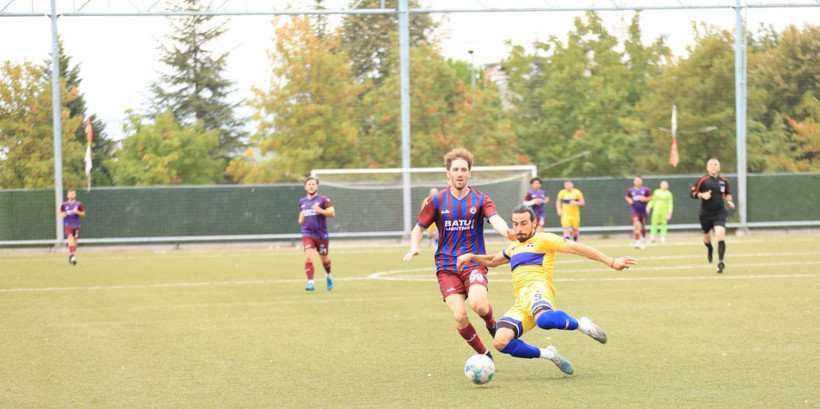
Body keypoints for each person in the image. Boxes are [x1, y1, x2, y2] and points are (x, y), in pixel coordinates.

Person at [457, 205, 636, 375]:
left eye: (524, 223)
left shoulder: (544, 239)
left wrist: (611, 262)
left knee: (544, 320)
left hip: (538, 290)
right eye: (516, 224)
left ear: (534, 223)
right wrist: (472, 256)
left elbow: (577, 248)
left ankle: (583, 325)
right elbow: (493, 261)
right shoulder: (513, 247)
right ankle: (550, 354)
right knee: (500, 341)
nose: (519, 228)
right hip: (521, 303)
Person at [403, 148, 516, 360]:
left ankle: (492, 324)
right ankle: (485, 355)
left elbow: (495, 219)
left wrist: (508, 232)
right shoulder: (436, 201)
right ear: (448, 173)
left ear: (469, 173)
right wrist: (414, 247)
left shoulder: (481, 200)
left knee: (478, 304)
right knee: (460, 315)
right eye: (455, 169)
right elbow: (418, 227)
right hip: (447, 267)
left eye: (464, 169)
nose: (460, 173)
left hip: (473, 262)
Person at [690, 158, 735, 273]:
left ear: (719, 167)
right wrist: (701, 195)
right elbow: (692, 193)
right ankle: (710, 249)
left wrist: (730, 201)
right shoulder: (703, 180)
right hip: (705, 213)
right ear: (707, 167)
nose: (714, 166)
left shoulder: (724, 181)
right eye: (711, 165)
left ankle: (720, 262)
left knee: (720, 235)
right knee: (707, 239)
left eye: (716, 165)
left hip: (719, 212)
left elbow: (727, 193)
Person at [298, 176, 336, 291]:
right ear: (305, 187)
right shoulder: (302, 201)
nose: (311, 186)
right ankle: (310, 282)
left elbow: (332, 213)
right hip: (307, 233)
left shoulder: (323, 200)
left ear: (317, 186)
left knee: (324, 259)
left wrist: (320, 211)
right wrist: (300, 220)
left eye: (313, 184)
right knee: (308, 257)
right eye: (309, 184)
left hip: (321, 234)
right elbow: (302, 215)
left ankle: (328, 275)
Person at [58, 188, 86, 265]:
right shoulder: (64, 204)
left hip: (76, 226)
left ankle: (71, 255)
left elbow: (83, 214)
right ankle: (73, 257)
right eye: (70, 194)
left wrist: (77, 212)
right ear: (67, 195)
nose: (71, 195)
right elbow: (59, 212)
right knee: (70, 241)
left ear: (75, 195)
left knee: (75, 244)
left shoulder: (78, 204)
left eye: (73, 194)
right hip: (68, 226)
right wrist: (62, 214)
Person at [625, 176, 652, 249]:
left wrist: (645, 199)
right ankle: (637, 242)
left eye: (639, 181)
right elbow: (627, 197)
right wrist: (629, 200)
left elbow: (651, 197)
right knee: (636, 225)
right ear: (634, 182)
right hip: (634, 210)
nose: (638, 182)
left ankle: (643, 239)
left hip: (643, 211)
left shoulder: (645, 189)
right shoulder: (631, 190)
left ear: (641, 181)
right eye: (637, 181)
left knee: (643, 226)